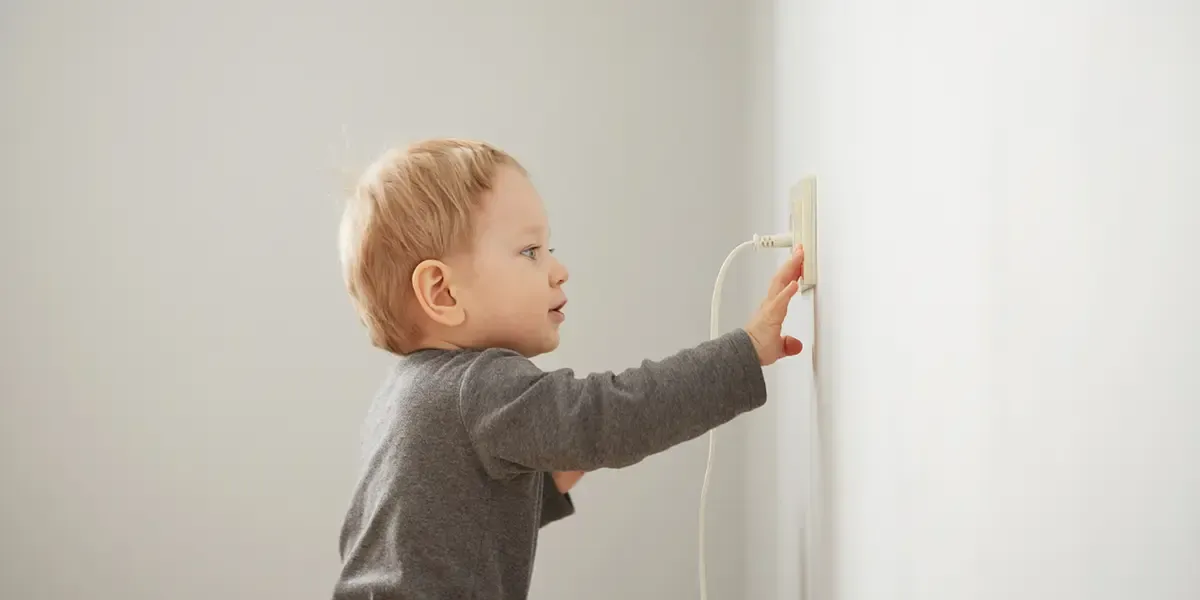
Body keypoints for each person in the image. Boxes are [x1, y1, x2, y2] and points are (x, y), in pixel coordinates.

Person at [332, 138, 805, 599]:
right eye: (530, 251)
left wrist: (558, 469)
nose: (559, 270)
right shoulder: (477, 385)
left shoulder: (403, 395)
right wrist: (744, 352)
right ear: (442, 293)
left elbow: (453, 522)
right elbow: (611, 415)